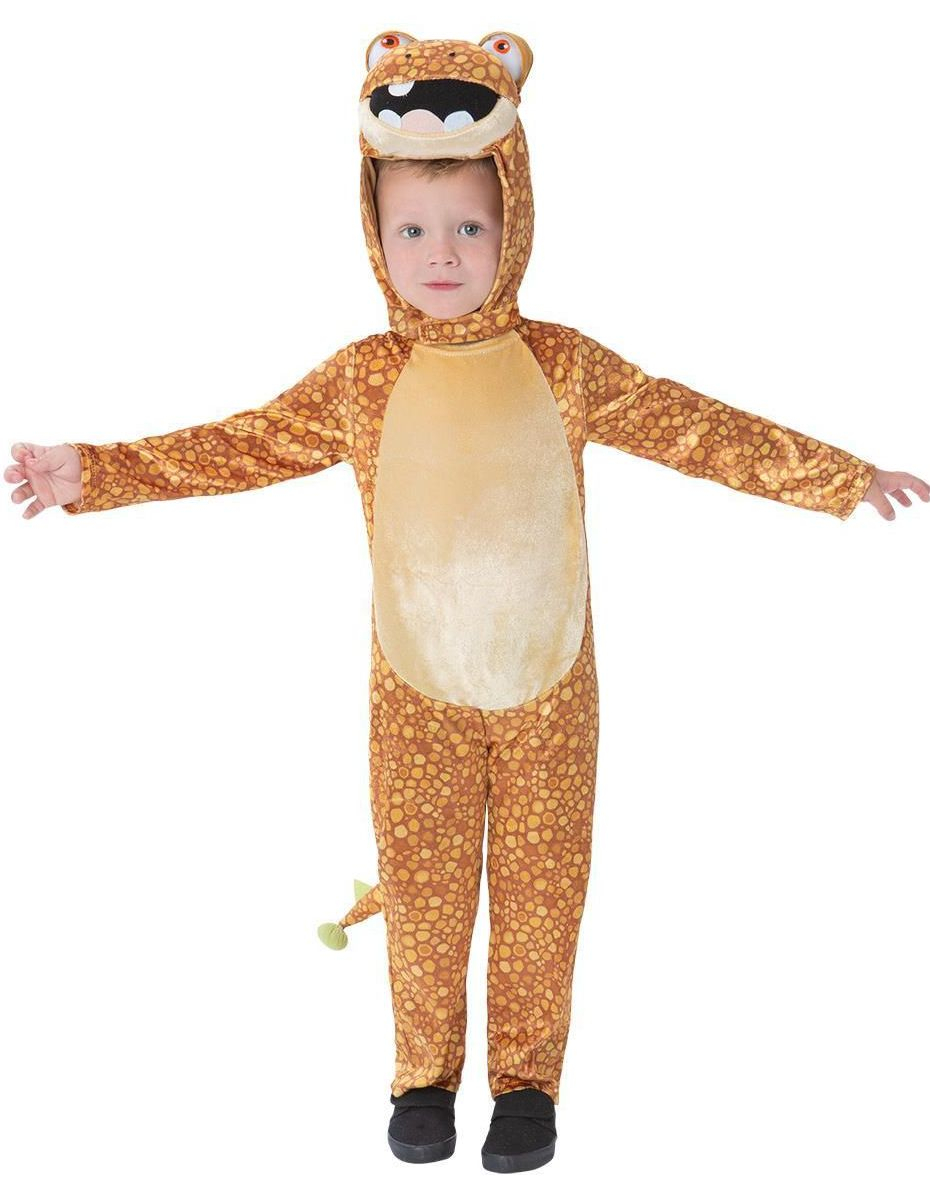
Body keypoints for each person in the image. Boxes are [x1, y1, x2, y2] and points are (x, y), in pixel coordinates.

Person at [6, 29, 928, 1175]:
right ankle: (422, 1079)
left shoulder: (566, 364)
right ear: (374, 233)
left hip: (551, 695)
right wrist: (95, 473)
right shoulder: (362, 379)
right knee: (427, 895)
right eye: (412, 230)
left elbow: (698, 427)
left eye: (469, 228)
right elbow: (236, 447)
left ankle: (528, 1087)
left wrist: (840, 476)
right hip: (417, 697)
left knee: (543, 897)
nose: (440, 253)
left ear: (515, 221)